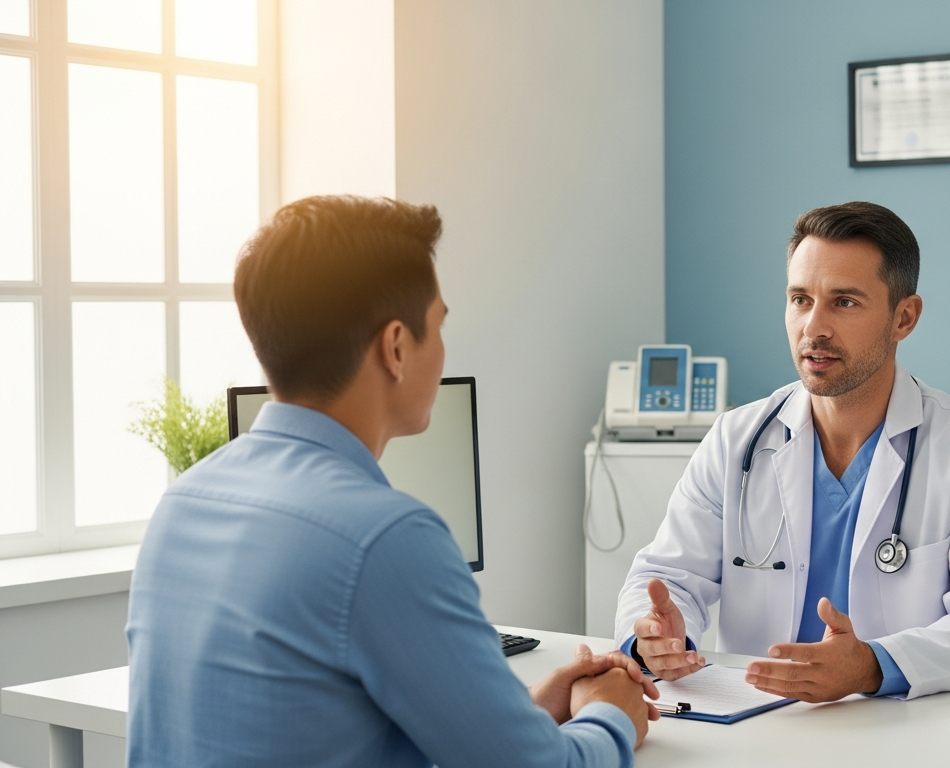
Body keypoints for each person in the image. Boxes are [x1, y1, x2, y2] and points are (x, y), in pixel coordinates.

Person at [127, 196, 657, 767]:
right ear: (397, 347)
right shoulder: (386, 538)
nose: (444, 349)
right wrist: (611, 714)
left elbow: (304, 725)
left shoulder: (181, 503)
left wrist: (522, 711)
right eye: (439, 327)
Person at [616, 202, 950, 702]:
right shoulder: (736, 439)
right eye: (800, 299)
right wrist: (652, 637)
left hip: (906, 727)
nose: (814, 327)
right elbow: (667, 576)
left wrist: (874, 666)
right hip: (756, 721)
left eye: (844, 302)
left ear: (904, 318)